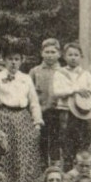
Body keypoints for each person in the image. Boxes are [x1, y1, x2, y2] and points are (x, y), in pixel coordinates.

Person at [0, 43, 43, 182]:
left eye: (17, 59)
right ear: (4, 60)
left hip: (23, 118)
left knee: (24, 154)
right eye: (10, 59)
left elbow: (34, 102)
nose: (13, 62)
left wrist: (37, 122)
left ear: (22, 60)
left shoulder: (26, 78)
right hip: (3, 117)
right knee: (5, 153)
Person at [54, 43, 91, 170]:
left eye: (76, 55)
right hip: (66, 113)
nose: (73, 58)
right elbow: (57, 92)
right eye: (70, 55)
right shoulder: (59, 73)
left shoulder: (86, 74)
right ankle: (68, 174)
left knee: (84, 144)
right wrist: (75, 90)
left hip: (84, 114)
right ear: (64, 56)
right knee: (67, 145)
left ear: (81, 57)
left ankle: (83, 174)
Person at [29, 39, 62, 169]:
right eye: (47, 52)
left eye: (53, 52)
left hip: (58, 113)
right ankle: (41, 170)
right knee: (40, 141)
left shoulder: (63, 71)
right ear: (41, 53)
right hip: (40, 113)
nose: (50, 55)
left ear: (59, 54)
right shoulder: (35, 71)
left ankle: (56, 170)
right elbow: (28, 92)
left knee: (56, 142)